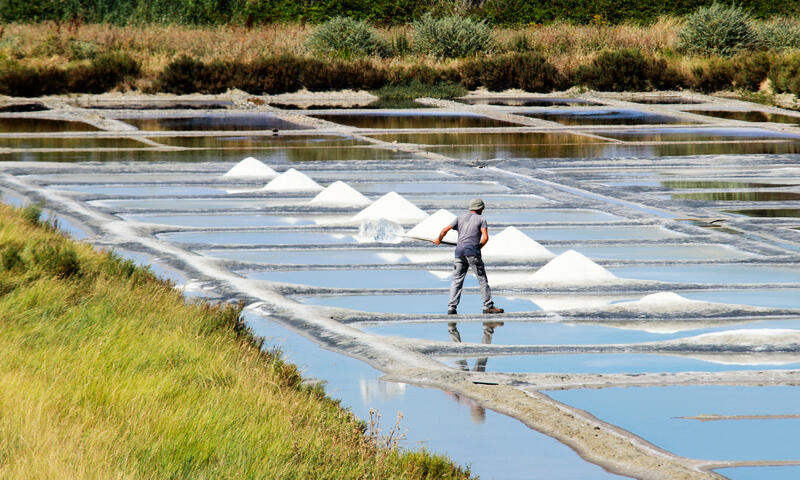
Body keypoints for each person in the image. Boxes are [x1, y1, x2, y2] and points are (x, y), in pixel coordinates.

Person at [434, 198, 504, 315]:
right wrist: (478, 248)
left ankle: (452, 307)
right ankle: (488, 306)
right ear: (480, 208)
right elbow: (485, 238)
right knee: (482, 280)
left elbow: (445, 229)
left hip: (459, 252)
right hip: (472, 253)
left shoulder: (459, 218)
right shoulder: (481, 219)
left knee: (456, 281)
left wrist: (438, 239)